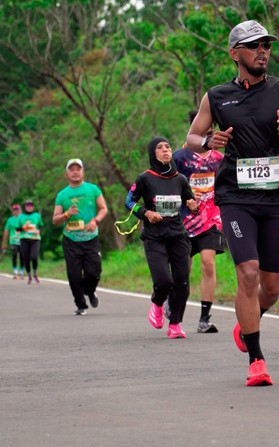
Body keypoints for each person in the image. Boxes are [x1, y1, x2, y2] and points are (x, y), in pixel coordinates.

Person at [186, 20, 279, 386]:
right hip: (235, 197)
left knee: (270, 288)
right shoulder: (217, 96)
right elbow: (192, 137)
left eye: (266, 45)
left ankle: (246, 325)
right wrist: (209, 142)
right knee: (248, 273)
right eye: (255, 45)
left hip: (274, 197)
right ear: (235, 53)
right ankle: (256, 360)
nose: (263, 51)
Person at [125, 136, 198, 339]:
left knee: (182, 281)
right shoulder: (145, 178)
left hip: (178, 236)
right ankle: (157, 303)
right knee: (164, 281)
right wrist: (146, 213)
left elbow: (191, 203)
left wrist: (193, 206)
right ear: (153, 154)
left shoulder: (180, 179)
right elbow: (129, 201)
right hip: (154, 237)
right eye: (160, 147)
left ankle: (175, 324)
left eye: (167, 147)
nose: (166, 150)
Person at [173, 110, 226, 334]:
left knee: (208, 263)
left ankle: (204, 319)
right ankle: (173, 304)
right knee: (182, 270)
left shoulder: (219, 159)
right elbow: (168, 185)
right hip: (183, 220)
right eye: (205, 127)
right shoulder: (179, 157)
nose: (209, 130)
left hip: (211, 219)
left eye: (212, 126)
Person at [52, 159, 108, 316]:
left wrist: (95, 221)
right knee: (74, 275)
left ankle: (90, 291)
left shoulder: (93, 189)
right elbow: (55, 220)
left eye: (78, 168)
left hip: (91, 238)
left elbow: (103, 209)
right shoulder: (62, 195)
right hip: (71, 240)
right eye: (72, 169)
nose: (75, 171)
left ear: (83, 172)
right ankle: (81, 304)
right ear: (66, 174)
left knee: (94, 272)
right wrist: (67, 214)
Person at [17, 199, 44, 284]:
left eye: (31, 205)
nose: (29, 207)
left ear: (33, 206)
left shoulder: (37, 215)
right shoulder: (20, 216)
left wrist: (38, 231)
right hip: (24, 239)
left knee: (34, 257)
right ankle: (29, 275)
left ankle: (35, 273)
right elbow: (17, 229)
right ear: (25, 207)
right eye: (27, 205)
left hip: (35, 239)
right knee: (26, 258)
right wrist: (24, 227)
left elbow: (41, 226)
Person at [1, 203, 24, 279]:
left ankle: (21, 271)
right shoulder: (10, 220)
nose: (16, 211)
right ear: (13, 211)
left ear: (20, 210)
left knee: (22, 256)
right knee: (14, 255)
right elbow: (6, 231)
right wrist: (4, 242)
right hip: (13, 241)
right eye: (15, 210)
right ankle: (15, 271)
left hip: (22, 240)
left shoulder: (24, 219)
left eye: (17, 210)